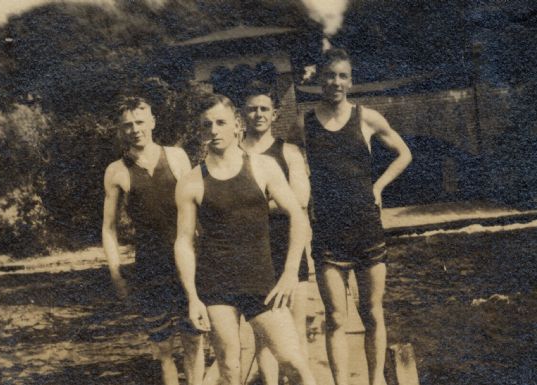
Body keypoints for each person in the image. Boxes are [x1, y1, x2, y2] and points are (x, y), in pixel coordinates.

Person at [174, 93, 317, 385]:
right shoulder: (191, 181)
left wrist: (290, 272)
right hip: (216, 286)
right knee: (229, 366)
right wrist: (192, 298)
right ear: (200, 131)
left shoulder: (263, 166)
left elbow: (297, 216)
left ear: (237, 125)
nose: (214, 130)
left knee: (294, 361)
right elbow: (184, 242)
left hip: (262, 280)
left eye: (220, 123)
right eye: (206, 125)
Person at [303, 48, 412, 385]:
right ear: (319, 79)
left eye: (342, 76)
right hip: (328, 232)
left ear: (350, 81)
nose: (335, 82)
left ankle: (376, 379)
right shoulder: (304, 124)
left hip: (366, 228)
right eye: (329, 75)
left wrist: (378, 187)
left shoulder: (366, 117)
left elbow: (404, 153)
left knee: (372, 313)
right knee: (335, 317)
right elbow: (290, 165)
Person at [102, 94, 205, 385]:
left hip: (186, 262)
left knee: (193, 340)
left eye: (140, 122)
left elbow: (197, 209)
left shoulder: (176, 156)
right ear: (120, 130)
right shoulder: (116, 171)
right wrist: (115, 272)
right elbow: (108, 228)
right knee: (162, 348)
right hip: (150, 266)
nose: (135, 129)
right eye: (127, 125)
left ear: (152, 122)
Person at [239, 81, 312, 385]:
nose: (258, 114)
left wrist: (248, 206)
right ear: (242, 114)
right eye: (252, 109)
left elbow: (300, 201)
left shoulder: (289, 151)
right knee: (263, 334)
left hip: (287, 248)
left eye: (264, 109)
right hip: (252, 253)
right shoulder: (233, 152)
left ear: (275, 113)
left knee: (296, 331)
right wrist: (273, 201)